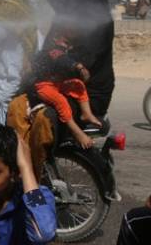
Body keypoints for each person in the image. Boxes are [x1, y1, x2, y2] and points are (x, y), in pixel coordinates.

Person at [7, 0, 115, 178]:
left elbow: (78, 65)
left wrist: (45, 66)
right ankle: (19, 165)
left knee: (43, 119)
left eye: (61, 3)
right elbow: (48, 53)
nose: (58, 9)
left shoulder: (98, 23)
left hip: (87, 92)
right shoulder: (64, 19)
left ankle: (33, 174)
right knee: (15, 105)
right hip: (57, 84)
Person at [29, 22, 102, 150]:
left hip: (57, 84)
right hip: (43, 86)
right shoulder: (52, 48)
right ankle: (77, 132)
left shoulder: (67, 45)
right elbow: (62, 59)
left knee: (78, 85)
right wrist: (78, 67)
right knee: (61, 102)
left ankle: (87, 114)